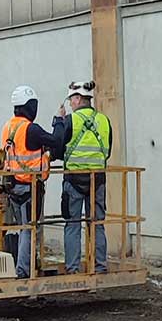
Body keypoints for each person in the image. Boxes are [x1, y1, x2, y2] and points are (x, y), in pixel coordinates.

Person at [1, 84, 66, 279]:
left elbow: (25, 150)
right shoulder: (31, 129)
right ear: (30, 107)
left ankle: (23, 266)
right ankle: (23, 271)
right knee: (29, 230)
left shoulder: (9, 127)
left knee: (22, 229)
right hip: (30, 188)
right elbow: (57, 141)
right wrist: (59, 120)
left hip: (14, 188)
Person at [52, 78, 113, 274]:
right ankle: (100, 266)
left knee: (73, 225)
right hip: (98, 180)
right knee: (97, 224)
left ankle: (73, 268)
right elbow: (108, 150)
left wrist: (58, 122)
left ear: (78, 99)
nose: (70, 104)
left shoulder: (70, 120)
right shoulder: (104, 121)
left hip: (74, 179)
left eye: (71, 100)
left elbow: (57, 148)